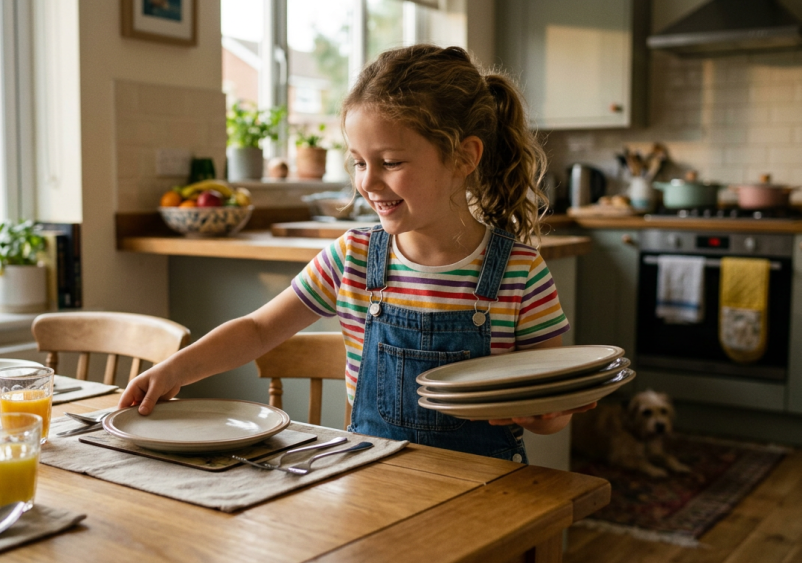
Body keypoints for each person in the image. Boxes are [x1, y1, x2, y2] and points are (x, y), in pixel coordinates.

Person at [120, 44, 594, 463]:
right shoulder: (352, 257)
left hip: (483, 489)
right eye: (359, 162)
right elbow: (259, 329)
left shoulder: (520, 274)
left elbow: (548, 408)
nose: (367, 182)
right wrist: (176, 368)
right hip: (373, 482)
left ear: (464, 157)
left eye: (391, 162)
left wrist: (543, 414)